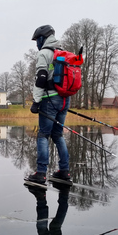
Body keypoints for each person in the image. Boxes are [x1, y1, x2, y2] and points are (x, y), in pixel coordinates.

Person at [28, 25, 71, 184]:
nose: (36, 44)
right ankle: (64, 171)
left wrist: (36, 101)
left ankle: (41, 173)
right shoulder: (63, 53)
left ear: (42, 38)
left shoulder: (44, 54)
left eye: (37, 40)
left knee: (43, 135)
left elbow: (41, 78)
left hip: (49, 99)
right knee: (58, 134)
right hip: (65, 100)